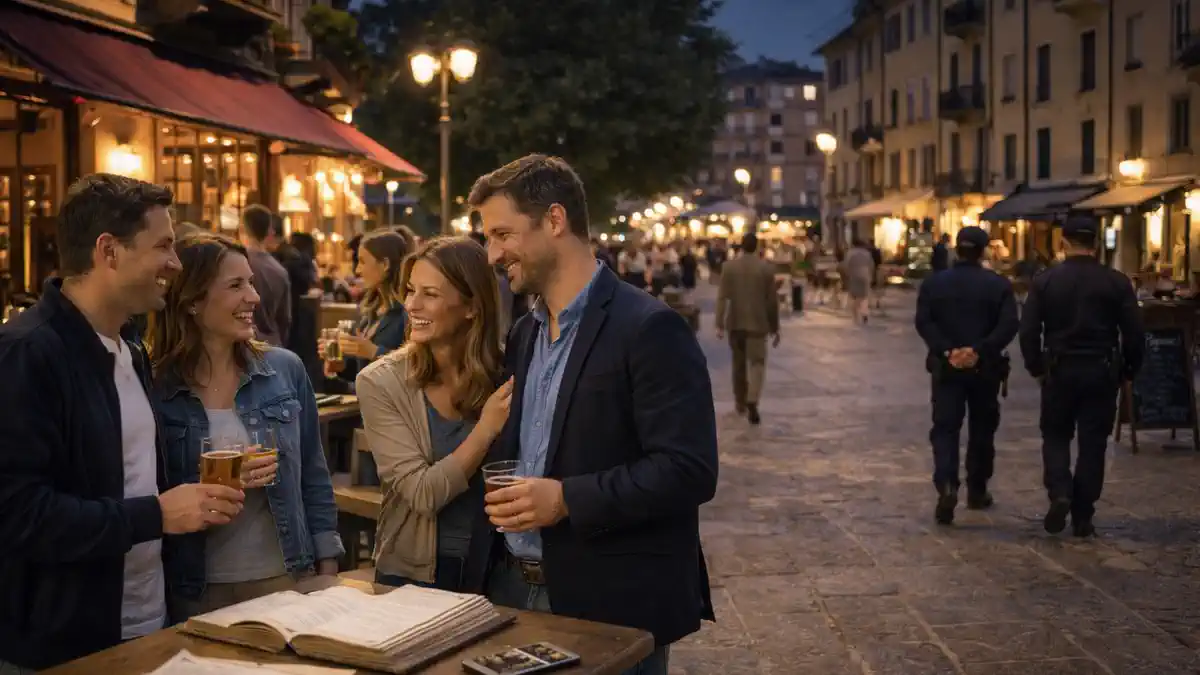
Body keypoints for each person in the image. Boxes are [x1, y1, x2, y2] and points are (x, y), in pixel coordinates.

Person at [471, 154, 718, 675]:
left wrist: (565, 499)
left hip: (611, 607)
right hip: (515, 593)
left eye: (502, 234)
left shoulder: (650, 328)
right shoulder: (526, 331)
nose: (492, 254)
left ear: (554, 221)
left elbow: (688, 470)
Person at [0, 174, 245, 671]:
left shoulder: (130, 348)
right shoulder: (27, 353)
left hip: (146, 625)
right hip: (59, 647)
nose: (176, 264)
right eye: (164, 246)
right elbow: (17, 515)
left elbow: (124, 474)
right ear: (108, 251)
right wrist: (157, 515)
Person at [151, 234, 342, 617]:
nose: (254, 297)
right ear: (192, 301)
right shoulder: (154, 385)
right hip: (192, 588)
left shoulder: (284, 369)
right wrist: (221, 478)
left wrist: (328, 561)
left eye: (251, 282)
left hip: (285, 576)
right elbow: (148, 489)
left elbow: (315, 475)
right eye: (236, 285)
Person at [356, 237, 513, 591]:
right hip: (416, 573)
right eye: (411, 290)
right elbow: (422, 493)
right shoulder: (381, 382)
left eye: (430, 293)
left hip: (498, 567)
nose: (412, 305)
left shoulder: (508, 370)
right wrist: (486, 429)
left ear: (472, 306)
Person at [1018, 215, 1144, 537]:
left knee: (1056, 434)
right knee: (1093, 443)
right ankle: (1083, 514)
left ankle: (1060, 491)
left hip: (1059, 369)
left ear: (1064, 242)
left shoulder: (1045, 281)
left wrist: (1036, 367)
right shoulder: (1117, 282)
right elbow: (1134, 332)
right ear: (1097, 244)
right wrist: (1130, 368)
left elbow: (1029, 330)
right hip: (1101, 370)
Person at [915, 226, 1019, 526]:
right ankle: (977, 488)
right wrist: (979, 350)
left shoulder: (934, 284)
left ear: (956, 249)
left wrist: (948, 351)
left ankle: (947, 484)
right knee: (982, 429)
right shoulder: (997, 285)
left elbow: (924, 321)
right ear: (984, 251)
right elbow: (1009, 324)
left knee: (946, 429)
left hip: (947, 369)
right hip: (984, 368)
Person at [323, 230, 410, 386]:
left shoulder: (408, 312)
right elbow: (362, 372)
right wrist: (341, 366)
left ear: (385, 265)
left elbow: (415, 368)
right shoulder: (372, 311)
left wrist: (373, 351)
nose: (357, 270)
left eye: (362, 261)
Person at [715, 232, 780, 425]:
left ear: (741, 247)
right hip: (758, 324)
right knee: (757, 363)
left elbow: (722, 297)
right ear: (757, 247)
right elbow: (771, 303)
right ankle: (753, 399)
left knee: (738, 365)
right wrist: (775, 326)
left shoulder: (729, 267)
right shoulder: (766, 269)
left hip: (735, 323)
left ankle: (740, 402)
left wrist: (719, 323)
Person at [240, 205, 291, 347]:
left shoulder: (236, 263)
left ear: (242, 228)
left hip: (243, 344)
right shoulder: (279, 271)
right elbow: (285, 320)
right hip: (272, 344)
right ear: (270, 230)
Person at [842, 238, 876, 325]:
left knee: (854, 296)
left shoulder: (850, 253)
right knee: (864, 296)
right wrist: (871, 275)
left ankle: (855, 317)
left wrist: (846, 275)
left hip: (854, 276)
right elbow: (871, 265)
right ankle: (864, 312)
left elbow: (846, 265)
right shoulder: (867, 253)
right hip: (865, 275)